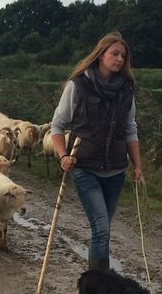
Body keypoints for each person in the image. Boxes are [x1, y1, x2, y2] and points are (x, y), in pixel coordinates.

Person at [50, 32, 142, 271]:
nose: (120, 59)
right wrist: (63, 156)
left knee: (104, 229)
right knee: (101, 228)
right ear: (101, 54)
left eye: (124, 55)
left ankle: (96, 284)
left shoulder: (126, 89)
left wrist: (137, 165)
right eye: (115, 54)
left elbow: (130, 129)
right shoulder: (78, 85)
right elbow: (58, 125)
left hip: (116, 169)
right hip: (85, 167)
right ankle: (99, 286)